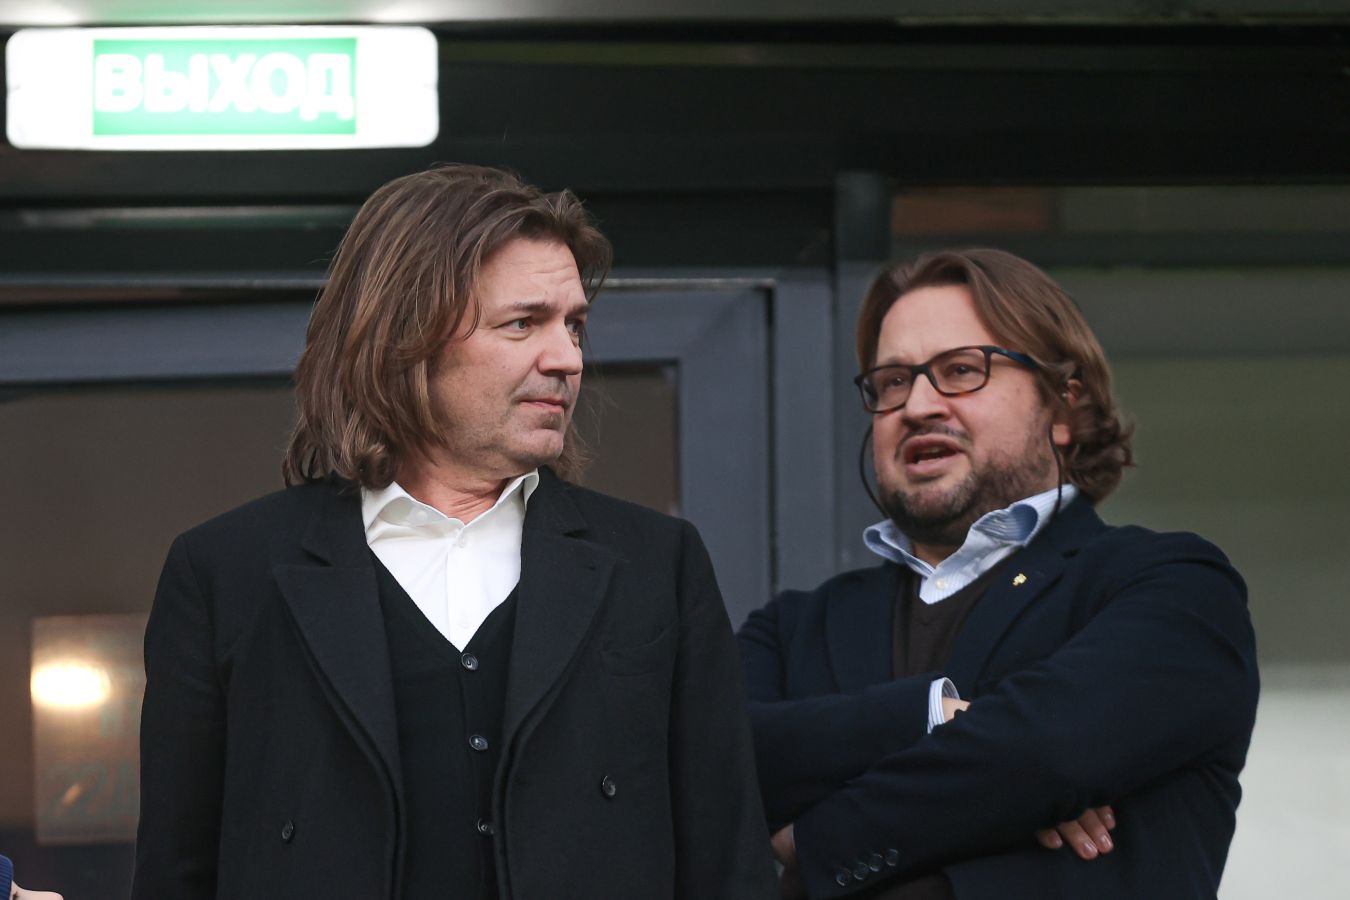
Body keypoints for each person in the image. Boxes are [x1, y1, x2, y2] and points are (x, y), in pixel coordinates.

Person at [132, 164, 777, 900]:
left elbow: (730, 865)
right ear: (407, 335)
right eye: (523, 323)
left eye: (573, 325)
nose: (568, 358)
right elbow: (176, 875)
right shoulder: (226, 574)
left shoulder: (657, 564)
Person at [738, 248, 1259, 899]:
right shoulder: (792, 628)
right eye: (892, 382)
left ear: (1063, 408)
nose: (917, 404)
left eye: (961, 370)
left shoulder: (1172, 586)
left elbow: (1045, 753)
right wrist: (931, 717)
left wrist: (811, 840)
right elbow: (718, 764)